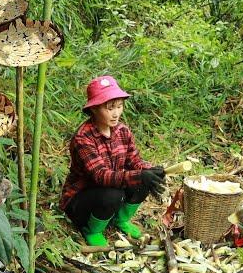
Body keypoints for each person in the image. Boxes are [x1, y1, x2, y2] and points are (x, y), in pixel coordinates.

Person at [59, 75, 166, 246]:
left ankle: (120, 220)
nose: (116, 113)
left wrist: (151, 170)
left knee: (143, 180)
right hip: (82, 199)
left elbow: (134, 160)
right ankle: (92, 229)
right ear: (94, 109)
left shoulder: (122, 131)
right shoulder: (83, 138)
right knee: (114, 194)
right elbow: (101, 176)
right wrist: (139, 175)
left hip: (109, 190)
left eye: (119, 106)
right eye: (109, 108)